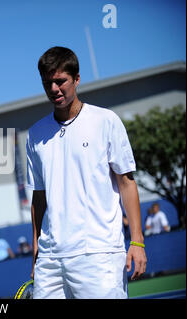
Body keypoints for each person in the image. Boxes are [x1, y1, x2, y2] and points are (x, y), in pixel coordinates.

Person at [26, 46, 147, 299]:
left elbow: (126, 183)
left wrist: (137, 241)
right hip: (50, 258)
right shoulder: (35, 134)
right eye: (47, 83)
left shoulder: (106, 121)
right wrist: (37, 247)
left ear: (77, 79)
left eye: (61, 81)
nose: (54, 89)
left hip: (99, 253)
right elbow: (39, 196)